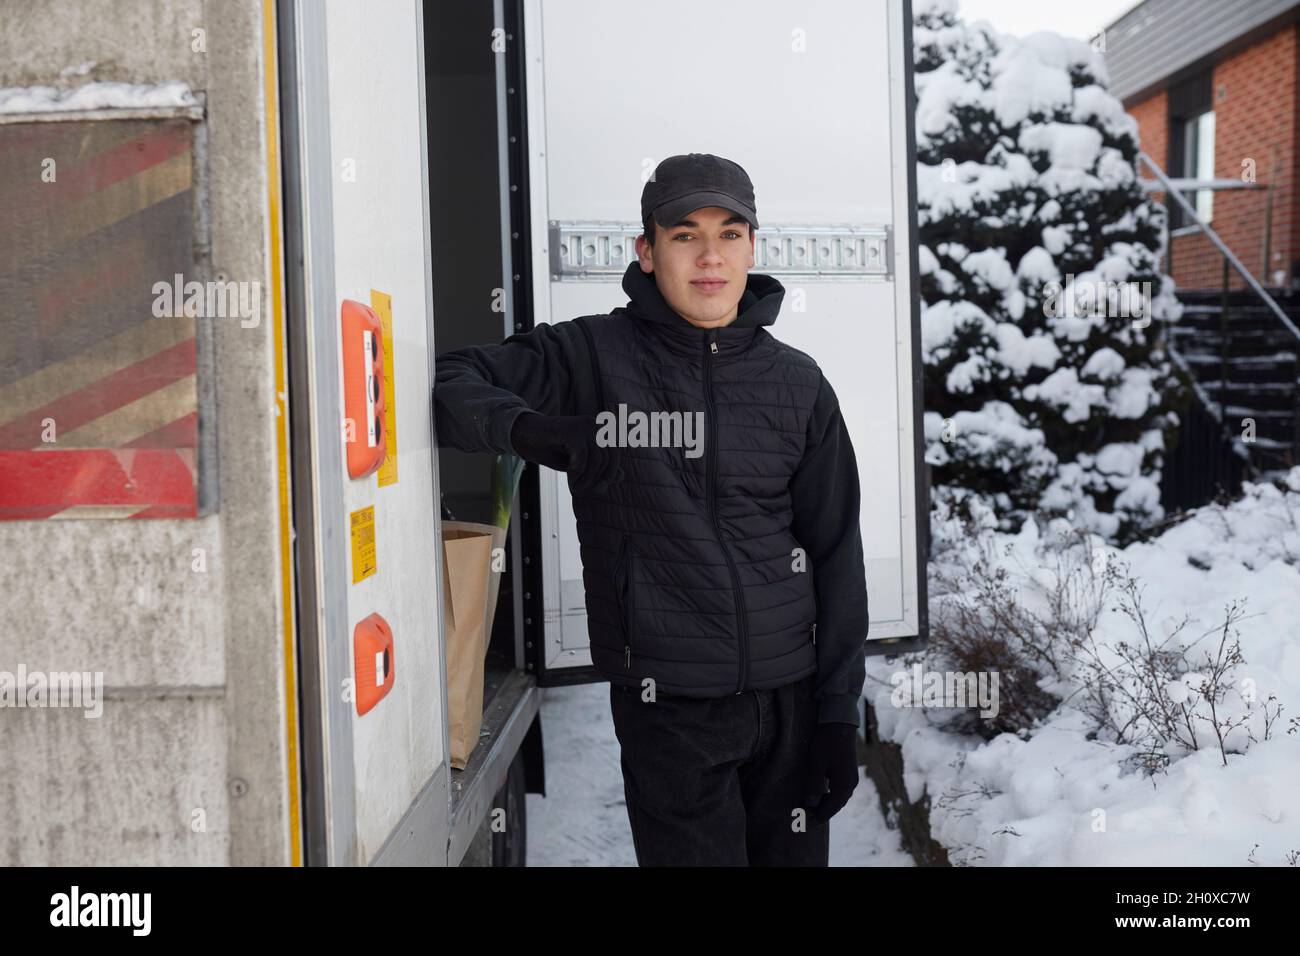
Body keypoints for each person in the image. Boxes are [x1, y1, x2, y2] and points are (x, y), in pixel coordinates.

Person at [433, 153, 869, 866]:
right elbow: (449, 380)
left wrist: (836, 715)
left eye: (730, 234)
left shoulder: (798, 383)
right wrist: (535, 431)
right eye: (684, 234)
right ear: (646, 249)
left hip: (789, 706)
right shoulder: (590, 355)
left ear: (752, 247)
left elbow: (835, 552)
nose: (709, 257)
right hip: (670, 711)